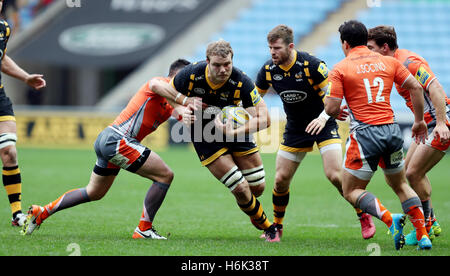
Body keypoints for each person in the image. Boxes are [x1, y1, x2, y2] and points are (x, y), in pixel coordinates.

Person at [21, 59, 192, 239]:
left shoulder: (173, 102)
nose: (191, 85)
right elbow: (156, 84)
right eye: (188, 80)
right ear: (178, 77)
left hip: (110, 140)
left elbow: (184, 114)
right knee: (165, 175)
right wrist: (183, 101)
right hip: (118, 140)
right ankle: (144, 229)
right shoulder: (161, 83)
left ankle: (42, 212)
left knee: (94, 192)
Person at [150, 40, 280, 242]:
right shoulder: (191, 74)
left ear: (232, 60)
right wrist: (182, 107)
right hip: (204, 133)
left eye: (227, 64)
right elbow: (160, 88)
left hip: (236, 131)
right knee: (239, 186)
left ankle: (250, 207)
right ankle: (268, 226)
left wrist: (235, 132)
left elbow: (265, 119)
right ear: (207, 62)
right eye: (217, 65)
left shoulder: (241, 81)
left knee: (257, 188)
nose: (223, 69)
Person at [254, 24, 375, 240]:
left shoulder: (312, 65)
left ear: (290, 46)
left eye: (277, 48)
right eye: (270, 48)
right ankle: (277, 228)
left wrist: (332, 112)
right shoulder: (268, 71)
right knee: (281, 179)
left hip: (323, 124)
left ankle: (362, 215)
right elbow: (254, 99)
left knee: (335, 175)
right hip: (295, 128)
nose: (272, 52)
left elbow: (331, 96)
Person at [324, 20, 432, 250]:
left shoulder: (341, 68)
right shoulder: (389, 62)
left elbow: (331, 108)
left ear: (344, 43)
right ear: (365, 40)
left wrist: (336, 110)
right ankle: (423, 235)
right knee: (401, 184)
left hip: (365, 135)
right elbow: (415, 86)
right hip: (391, 131)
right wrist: (419, 120)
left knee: (351, 190)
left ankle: (388, 218)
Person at [367, 25, 450, 245]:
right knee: (406, 171)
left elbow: (436, 89)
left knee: (413, 173)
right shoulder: (393, 64)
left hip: (440, 122)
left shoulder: (409, 63)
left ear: (385, 47)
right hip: (427, 124)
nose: (367, 52)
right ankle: (430, 221)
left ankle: (427, 226)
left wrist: (441, 123)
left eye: (370, 48)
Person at [0, 1, 46, 227]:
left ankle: (17, 213)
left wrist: (26, 77)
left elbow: (2, 58)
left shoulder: (3, 28)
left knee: (9, 152)